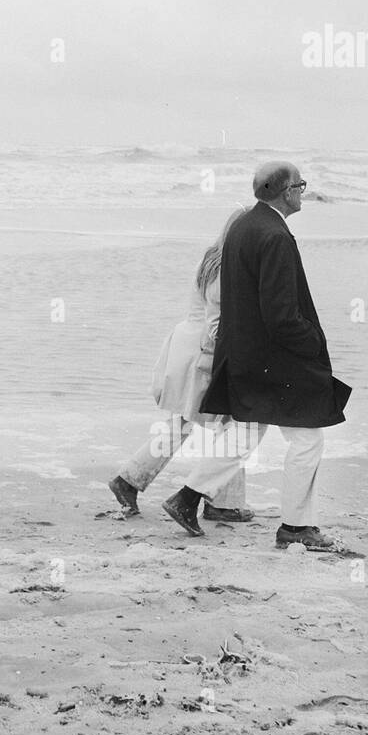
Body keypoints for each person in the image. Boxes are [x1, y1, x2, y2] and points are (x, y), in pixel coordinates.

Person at [161, 161, 353, 551]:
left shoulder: (243, 227)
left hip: (243, 353)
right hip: (274, 357)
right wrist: (311, 343)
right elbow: (281, 314)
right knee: (307, 439)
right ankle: (297, 528)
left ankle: (187, 498)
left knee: (247, 431)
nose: (303, 191)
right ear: (286, 192)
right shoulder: (276, 236)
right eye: (300, 185)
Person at [108, 209, 253, 523]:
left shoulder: (212, 259)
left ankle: (129, 479)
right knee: (230, 424)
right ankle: (219, 503)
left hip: (188, 346)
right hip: (203, 353)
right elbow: (216, 327)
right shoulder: (224, 268)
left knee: (187, 423)